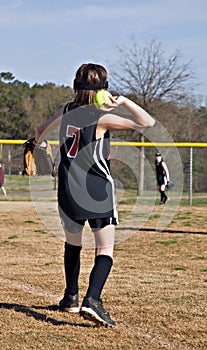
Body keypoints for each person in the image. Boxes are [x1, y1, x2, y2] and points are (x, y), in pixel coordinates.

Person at [35, 63, 155, 327]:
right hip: (96, 190)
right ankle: (93, 300)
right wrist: (124, 101)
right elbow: (147, 122)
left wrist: (38, 143)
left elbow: (39, 130)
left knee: (73, 244)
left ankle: (70, 297)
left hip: (67, 190)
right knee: (105, 248)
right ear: (103, 88)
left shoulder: (65, 111)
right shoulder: (101, 116)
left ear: (76, 85)